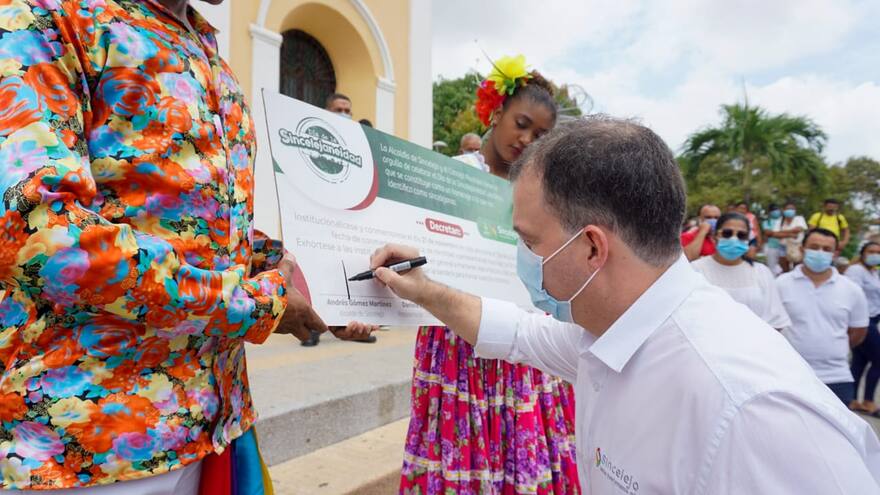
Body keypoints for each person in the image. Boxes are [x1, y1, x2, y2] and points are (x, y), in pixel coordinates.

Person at [369, 117, 880, 493]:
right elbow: (518, 333)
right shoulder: (609, 333)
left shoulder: (752, 414)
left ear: (592, 247)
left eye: (528, 241)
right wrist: (425, 288)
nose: (523, 257)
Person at [0, 1, 374, 492]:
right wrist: (258, 305)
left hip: (214, 425)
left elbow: (204, 228)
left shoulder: (204, 48)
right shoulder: (46, 16)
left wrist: (316, 282)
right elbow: (39, 233)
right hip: (91, 444)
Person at [399, 56, 580, 494]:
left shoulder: (542, 191)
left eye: (540, 135)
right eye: (521, 124)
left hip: (523, 341)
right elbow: (412, 247)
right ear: (496, 113)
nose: (527, 139)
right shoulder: (451, 175)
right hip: (455, 342)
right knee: (459, 446)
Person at [777, 229, 869, 406]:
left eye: (827, 249)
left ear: (835, 253)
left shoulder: (852, 289)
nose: (820, 252)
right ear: (802, 249)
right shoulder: (781, 284)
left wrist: (832, 347)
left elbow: (858, 332)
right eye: (814, 247)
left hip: (837, 378)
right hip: (789, 374)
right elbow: (772, 327)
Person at [692, 213, 791, 330]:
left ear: (748, 240)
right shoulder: (696, 270)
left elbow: (776, 320)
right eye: (727, 233)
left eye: (741, 235)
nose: (734, 239)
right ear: (715, 236)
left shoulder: (761, 272)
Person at [847, 242, 880, 414]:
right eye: (871, 251)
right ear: (862, 253)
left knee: (860, 361)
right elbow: (853, 295)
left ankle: (852, 400)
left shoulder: (873, 271)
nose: (875, 255)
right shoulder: (856, 270)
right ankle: (868, 401)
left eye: (878, 252)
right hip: (862, 321)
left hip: (873, 319)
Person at [774, 201, 808, 272]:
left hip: (797, 246)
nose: (790, 211)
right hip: (783, 246)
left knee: (798, 266)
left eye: (792, 209)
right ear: (783, 210)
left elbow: (798, 229)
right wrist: (790, 235)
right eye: (788, 209)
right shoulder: (779, 221)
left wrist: (781, 232)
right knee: (784, 267)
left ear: (795, 210)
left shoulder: (799, 219)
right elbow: (775, 234)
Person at [761, 204, 784, 274]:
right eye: (773, 210)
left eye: (777, 209)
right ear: (770, 212)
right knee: (771, 267)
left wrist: (774, 234)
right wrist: (788, 234)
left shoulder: (784, 220)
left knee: (784, 267)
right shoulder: (766, 222)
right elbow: (768, 233)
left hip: (784, 247)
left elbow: (771, 234)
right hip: (772, 247)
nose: (776, 211)